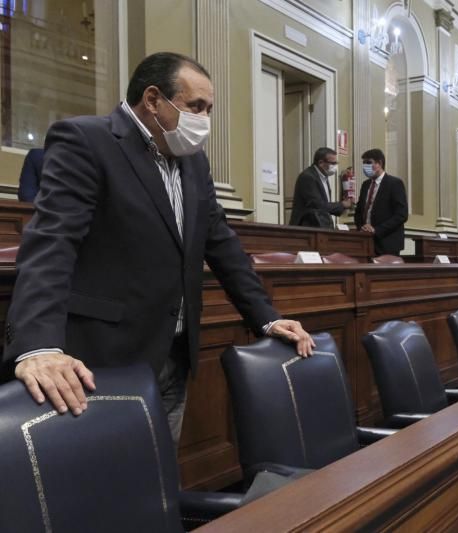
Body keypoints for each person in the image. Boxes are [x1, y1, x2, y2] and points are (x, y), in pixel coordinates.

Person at [3, 52, 314, 445]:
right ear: (153, 100)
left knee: (158, 481)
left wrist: (266, 317)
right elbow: (52, 242)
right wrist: (37, 345)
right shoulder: (87, 140)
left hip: (174, 353)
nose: (204, 120)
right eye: (195, 106)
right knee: (103, 486)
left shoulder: (193, 161)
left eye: (209, 109)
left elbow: (220, 242)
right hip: (105, 357)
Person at [353, 148, 408, 256]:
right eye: (364, 163)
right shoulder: (365, 185)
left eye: (368, 162)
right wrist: (362, 227)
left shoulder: (394, 183)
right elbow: (359, 211)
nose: (365, 166)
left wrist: (376, 230)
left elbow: (401, 215)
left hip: (387, 241)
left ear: (379, 163)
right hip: (365, 240)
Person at [289, 147, 352, 228]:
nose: (335, 166)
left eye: (336, 163)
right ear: (321, 162)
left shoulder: (323, 177)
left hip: (321, 226)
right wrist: (342, 204)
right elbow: (317, 205)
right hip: (307, 227)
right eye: (333, 163)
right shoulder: (308, 177)